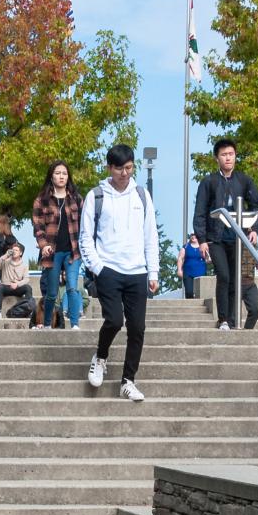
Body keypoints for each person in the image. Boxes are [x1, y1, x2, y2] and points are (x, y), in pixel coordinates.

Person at [79, 143, 160, 402]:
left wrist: (153, 271)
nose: (124, 173)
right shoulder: (96, 196)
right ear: (109, 168)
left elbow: (151, 235)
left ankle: (128, 381)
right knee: (114, 320)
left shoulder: (141, 195)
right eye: (119, 168)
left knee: (137, 327)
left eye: (128, 168)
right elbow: (85, 237)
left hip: (137, 271)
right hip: (108, 269)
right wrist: (97, 267)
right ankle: (100, 357)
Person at [192, 138, 258, 331]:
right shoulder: (208, 182)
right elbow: (200, 211)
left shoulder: (244, 180)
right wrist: (201, 240)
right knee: (223, 276)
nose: (228, 158)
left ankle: (232, 320)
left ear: (235, 156)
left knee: (235, 279)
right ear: (217, 158)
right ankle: (223, 319)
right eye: (224, 155)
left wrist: (255, 229)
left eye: (231, 154)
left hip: (238, 238)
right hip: (215, 238)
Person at [32, 161, 86, 330]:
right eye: (57, 173)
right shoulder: (42, 200)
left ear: (68, 176)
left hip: (73, 251)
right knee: (52, 293)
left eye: (64, 173)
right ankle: (48, 324)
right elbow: (38, 226)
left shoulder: (76, 198)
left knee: (72, 287)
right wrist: (43, 245)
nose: (61, 176)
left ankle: (75, 324)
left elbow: (86, 223)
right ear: (51, 175)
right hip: (52, 253)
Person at [0, 241, 33, 319]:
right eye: (13, 250)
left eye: (16, 250)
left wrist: (18, 284)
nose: (14, 251)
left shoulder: (24, 265)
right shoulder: (6, 262)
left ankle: (28, 310)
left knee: (28, 288)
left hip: (17, 287)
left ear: (20, 253)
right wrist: (6, 255)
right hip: (6, 287)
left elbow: (27, 279)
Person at [178, 232, 207, 300]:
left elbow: (208, 259)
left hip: (201, 273)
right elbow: (180, 258)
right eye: (191, 235)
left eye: (194, 235)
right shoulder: (185, 247)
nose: (193, 236)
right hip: (188, 273)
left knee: (201, 294)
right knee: (189, 292)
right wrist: (179, 270)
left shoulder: (202, 246)